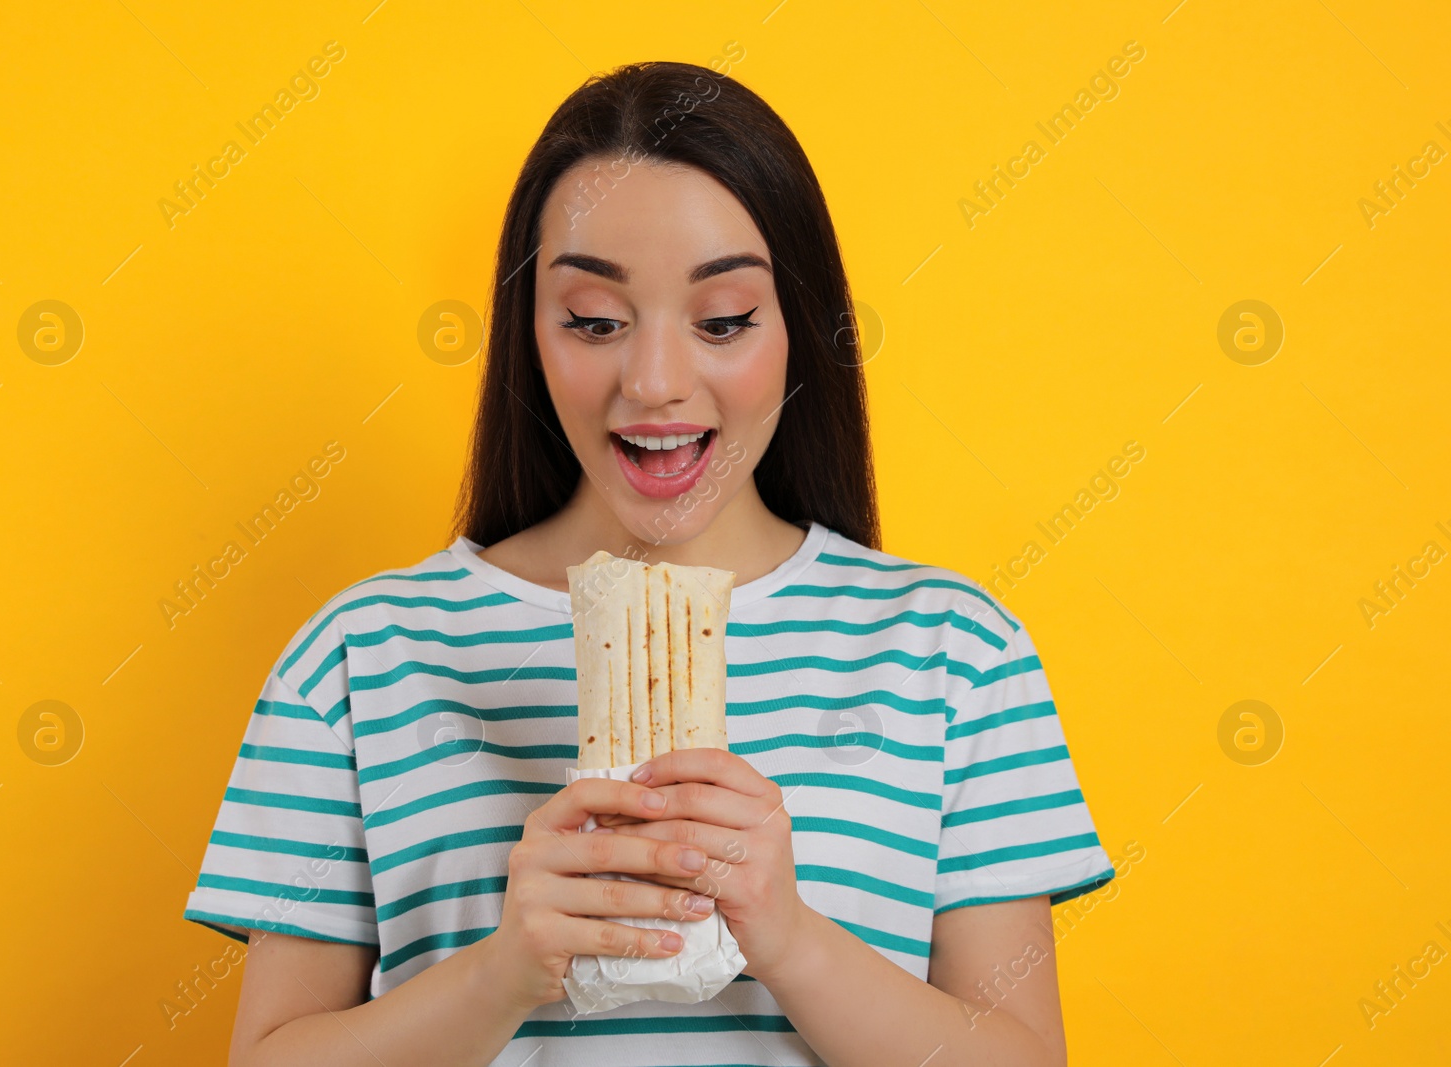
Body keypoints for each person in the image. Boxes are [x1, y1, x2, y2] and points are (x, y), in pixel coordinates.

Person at [183, 59, 1114, 1067]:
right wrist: (504, 968)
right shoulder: (360, 656)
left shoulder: (955, 652)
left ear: (799, 327)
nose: (656, 381)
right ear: (527, 333)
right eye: (593, 320)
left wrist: (789, 936)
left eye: (722, 321)